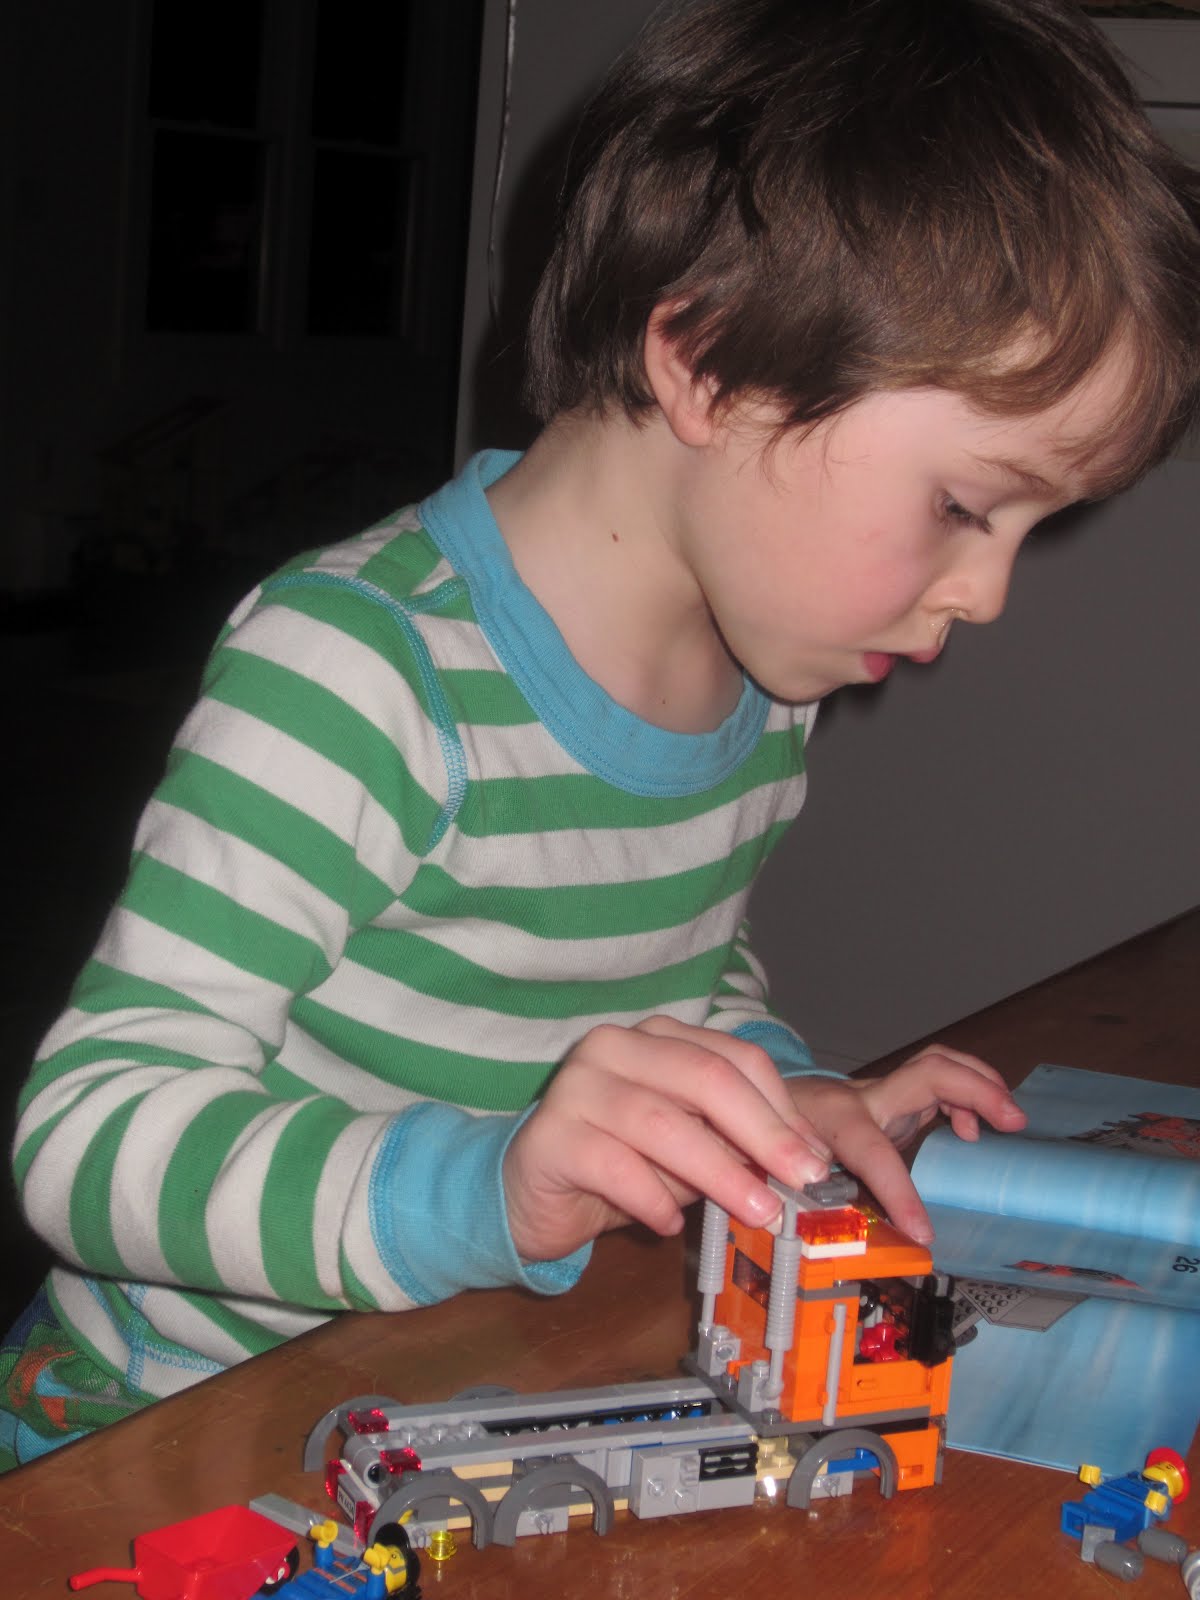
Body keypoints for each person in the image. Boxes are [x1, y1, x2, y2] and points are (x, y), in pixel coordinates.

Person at [3, 0, 1197, 1471]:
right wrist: (491, 1190)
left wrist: (776, 1097)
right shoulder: (363, 676)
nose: (989, 593)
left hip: (444, 1400)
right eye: (963, 505)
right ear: (708, 361)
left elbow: (680, 973)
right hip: (162, 1431)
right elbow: (86, 1134)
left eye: (1029, 529)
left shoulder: (763, 686)